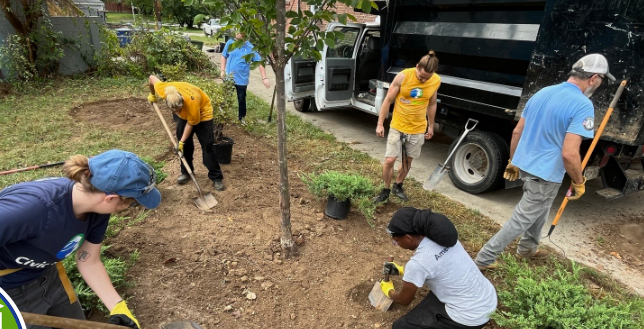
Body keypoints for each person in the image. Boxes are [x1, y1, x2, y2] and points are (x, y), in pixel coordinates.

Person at [474, 54, 615, 270]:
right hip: (545, 172)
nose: (600, 84)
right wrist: (578, 181)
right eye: (601, 80)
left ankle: (528, 248)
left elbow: (517, 132)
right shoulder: (583, 105)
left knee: (542, 207)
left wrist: (513, 160)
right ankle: (484, 258)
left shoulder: (542, 92)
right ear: (593, 78)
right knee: (523, 217)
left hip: (527, 166)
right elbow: (569, 153)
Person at [0, 149, 161, 329]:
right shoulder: (33, 209)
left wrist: (118, 307)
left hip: (48, 276)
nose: (128, 207)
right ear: (111, 198)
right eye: (131, 202)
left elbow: (89, 260)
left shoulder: (96, 209)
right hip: (9, 293)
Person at [381, 207, 497, 329]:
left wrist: (389, 291)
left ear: (408, 237)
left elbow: (404, 300)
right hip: (487, 298)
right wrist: (402, 270)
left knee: (400, 326)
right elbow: (437, 266)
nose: (397, 245)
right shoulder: (444, 239)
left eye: (396, 241)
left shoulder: (418, 263)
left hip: (470, 318)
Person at [373, 51, 441, 203]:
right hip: (398, 125)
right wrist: (380, 124)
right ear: (417, 67)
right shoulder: (403, 76)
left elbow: (432, 103)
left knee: (407, 161)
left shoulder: (435, 81)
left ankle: (398, 184)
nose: (423, 80)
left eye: (427, 78)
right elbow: (388, 100)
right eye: (421, 76)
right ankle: (385, 189)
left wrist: (431, 126)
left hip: (417, 128)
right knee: (390, 160)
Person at [148, 75, 226, 191]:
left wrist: (181, 142)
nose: (178, 113)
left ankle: (216, 177)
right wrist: (152, 94)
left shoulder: (191, 101)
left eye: (179, 110)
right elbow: (151, 78)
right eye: (175, 111)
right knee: (185, 147)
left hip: (203, 113)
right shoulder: (165, 91)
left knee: (207, 146)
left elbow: (191, 124)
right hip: (187, 115)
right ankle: (186, 172)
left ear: (182, 102)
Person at [220, 31, 271, 125]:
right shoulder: (230, 43)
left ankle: (242, 119)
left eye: (240, 32)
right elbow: (224, 56)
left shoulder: (250, 48)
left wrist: (264, 78)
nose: (237, 34)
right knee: (226, 98)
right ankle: (223, 117)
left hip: (242, 80)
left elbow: (260, 62)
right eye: (237, 32)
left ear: (245, 35)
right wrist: (222, 70)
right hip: (229, 78)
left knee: (241, 99)